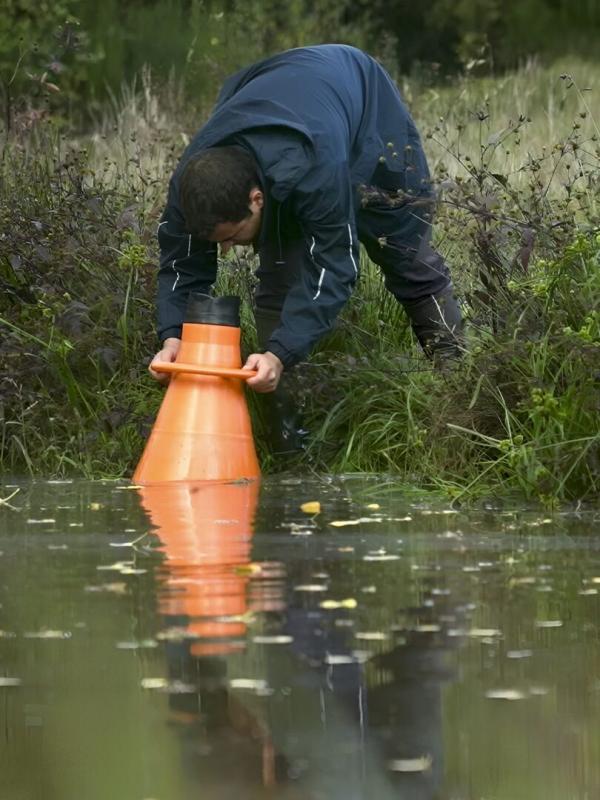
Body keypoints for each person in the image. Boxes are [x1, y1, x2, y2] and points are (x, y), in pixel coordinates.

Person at [150, 44, 462, 453]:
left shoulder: (313, 174)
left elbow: (335, 264)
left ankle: (456, 388)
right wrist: (173, 335)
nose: (225, 251)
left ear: (256, 198)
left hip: (364, 103)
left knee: (406, 255)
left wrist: (280, 352)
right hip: (278, 99)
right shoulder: (192, 185)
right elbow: (181, 263)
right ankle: (290, 443)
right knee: (280, 268)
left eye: (231, 236)